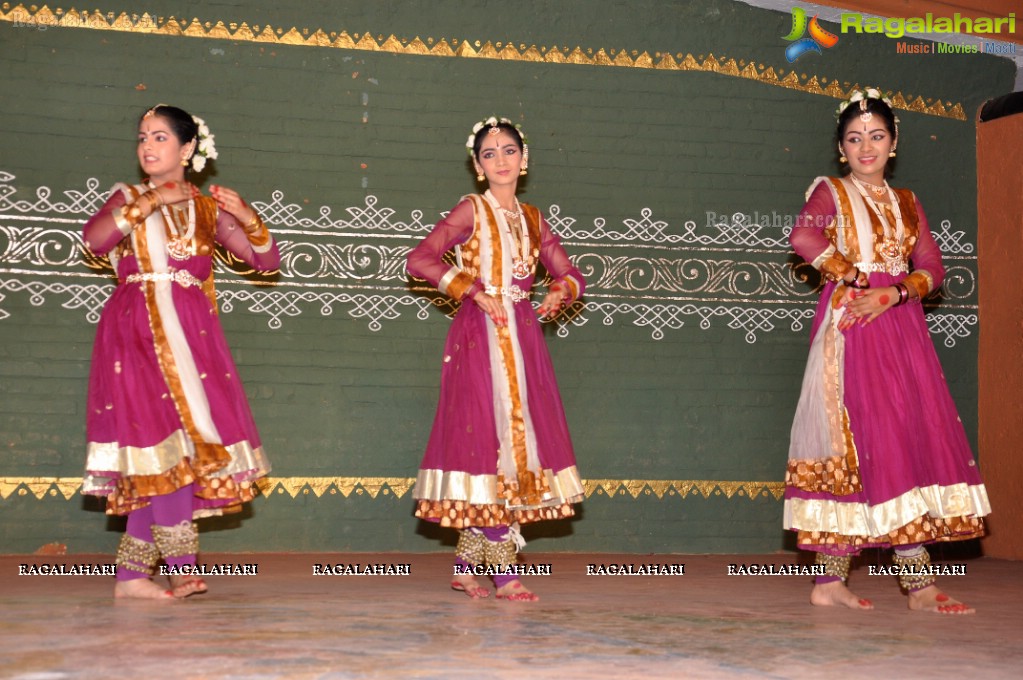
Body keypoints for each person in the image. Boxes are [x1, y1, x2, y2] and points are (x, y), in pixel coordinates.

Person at [785, 89, 990, 614]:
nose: (866, 146)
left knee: (906, 436)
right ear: (841, 149)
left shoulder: (907, 203)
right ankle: (836, 580)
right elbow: (803, 237)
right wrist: (855, 276)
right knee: (859, 440)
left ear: (893, 143)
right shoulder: (831, 191)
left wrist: (891, 292)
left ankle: (914, 584)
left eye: (876, 136)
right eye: (854, 138)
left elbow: (932, 269)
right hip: (853, 330)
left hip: (900, 327)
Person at [82, 104, 279, 599]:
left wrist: (248, 216)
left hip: (192, 335)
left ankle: (130, 578)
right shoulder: (128, 196)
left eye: (160, 138)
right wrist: (146, 203)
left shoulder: (207, 209)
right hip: (137, 330)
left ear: (189, 148)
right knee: (160, 437)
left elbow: (265, 259)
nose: (147, 146)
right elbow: (96, 240)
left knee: (178, 449)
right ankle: (181, 563)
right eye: (142, 138)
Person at [407, 117, 585, 602]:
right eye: (490, 153)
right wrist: (470, 290)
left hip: (523, 336)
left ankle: (467, 567)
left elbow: (569, 273)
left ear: (524, 161)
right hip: (480, 336)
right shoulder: (471, 210)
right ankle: (505, 574)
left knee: (515, 442)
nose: (501, 160)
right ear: (477, 165)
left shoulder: (532, 219)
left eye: (509, 151)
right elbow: (421, 259)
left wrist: (558, 293)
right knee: (488, 440)